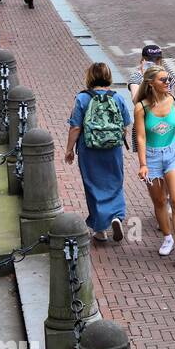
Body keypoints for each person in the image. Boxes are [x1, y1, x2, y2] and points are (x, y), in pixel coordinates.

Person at [133, 65, 175, 265]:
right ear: (151, 83)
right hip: (152, 157)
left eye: (169, 79)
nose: (168, 83)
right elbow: (141, 137)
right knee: (160, 201)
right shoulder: (141, 107)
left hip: (173, 154)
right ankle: (167, 237)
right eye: (163, 80)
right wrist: (143, 164)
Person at [65, 62, 133, 242]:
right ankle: (117, 216)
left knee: (92, 185)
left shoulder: (82, 98)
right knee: (115, 182)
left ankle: (100, 229)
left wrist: (69, 149)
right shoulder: (117, 98)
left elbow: (75, 127)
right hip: (113, 149)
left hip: (89, 149)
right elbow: (126, 123)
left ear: (90, 77)